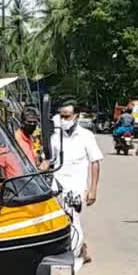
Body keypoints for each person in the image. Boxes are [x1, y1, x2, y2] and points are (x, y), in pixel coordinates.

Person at [51, 100, 103, 263]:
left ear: (76, 116)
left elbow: (95, 162)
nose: (63, 120)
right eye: (61, 116)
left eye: (67, 116)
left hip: (76, 189)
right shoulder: (54, 136)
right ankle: (80, 248)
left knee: (74, 220)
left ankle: (73, 257)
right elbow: (49, 161)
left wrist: (92, 189)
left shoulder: (86, 136)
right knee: (59, 221)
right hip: (55, 187)